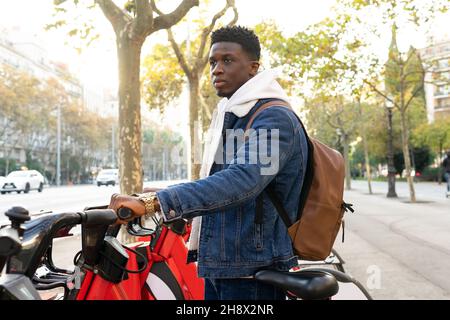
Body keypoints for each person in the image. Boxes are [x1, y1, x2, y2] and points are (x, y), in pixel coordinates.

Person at [108, 26, 308, 300]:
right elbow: (216, 182)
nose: (216, 69)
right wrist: (155, 194)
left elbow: (241, 182)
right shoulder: (236, 115)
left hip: (251, 271)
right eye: (213, 62)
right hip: (224, 263)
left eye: (227, 60)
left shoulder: (273, 118)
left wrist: (155, 203)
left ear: (253, 68)